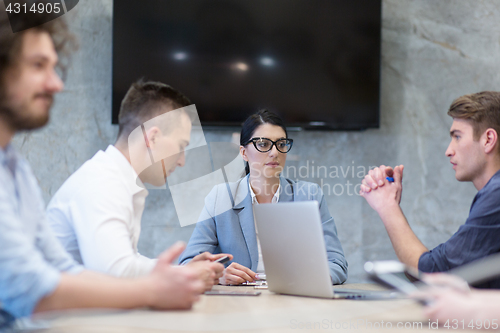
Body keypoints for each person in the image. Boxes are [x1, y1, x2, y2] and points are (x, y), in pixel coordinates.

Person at [0, 8, 215, 324]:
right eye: (38, 65)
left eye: (54, 67)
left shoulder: (15, 169)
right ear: (152, 137)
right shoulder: (102, 181)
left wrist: (176, 275)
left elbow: (62, 269)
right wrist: (156, 290)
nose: (57, 84)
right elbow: (33, 288)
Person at [46, 79, 229, 284]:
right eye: (181, 146)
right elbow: (116, 272)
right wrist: (184, 274)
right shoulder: (102, 184)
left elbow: (127, 261)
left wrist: (183, 269)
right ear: (152, 138)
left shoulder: (115, 178)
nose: (182, 161)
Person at [178, 109, 348, 285]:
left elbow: (337, 263)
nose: (274, 152)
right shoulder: (220, 198)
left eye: (281, 144)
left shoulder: (309, 195)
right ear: (243, 153)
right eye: (263, 144)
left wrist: (310, 279)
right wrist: (218, 276)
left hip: (295, 297)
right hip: (238, 303)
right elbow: (188, 265)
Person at [360, 92, 500, 288]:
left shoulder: (496, 194)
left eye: (458, 137)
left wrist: (386, 205)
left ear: (488, 140)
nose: (448, 150)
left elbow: (432, 272)